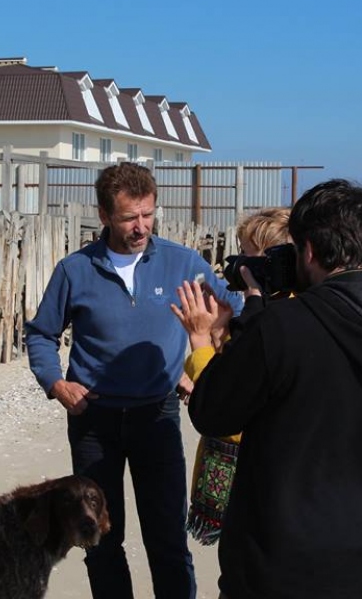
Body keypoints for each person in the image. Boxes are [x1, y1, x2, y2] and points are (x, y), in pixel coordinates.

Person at [178, 179, 362, 599]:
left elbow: (212, 413)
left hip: (277, 560)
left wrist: (201, 340)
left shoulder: (282, 327)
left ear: (310, 251)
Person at [24, 162, 243, 599]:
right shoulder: (74, 270)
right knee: (101, 540)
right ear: (104, 215)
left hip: (157, 417)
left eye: (147, 214)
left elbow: (234, 313)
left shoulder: (184, 262)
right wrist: (56, 384)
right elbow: (41, 334)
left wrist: (200, 366)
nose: (141, 226)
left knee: (168, 539)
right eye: (129, 217)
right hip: (92, 421)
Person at [178, 207, 291, 546]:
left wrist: (199, 338)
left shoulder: (275, 319)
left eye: (247, 255)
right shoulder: (274, 310)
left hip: (254, 482)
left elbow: (224, 400)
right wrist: (220, 334)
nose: (238, 266)